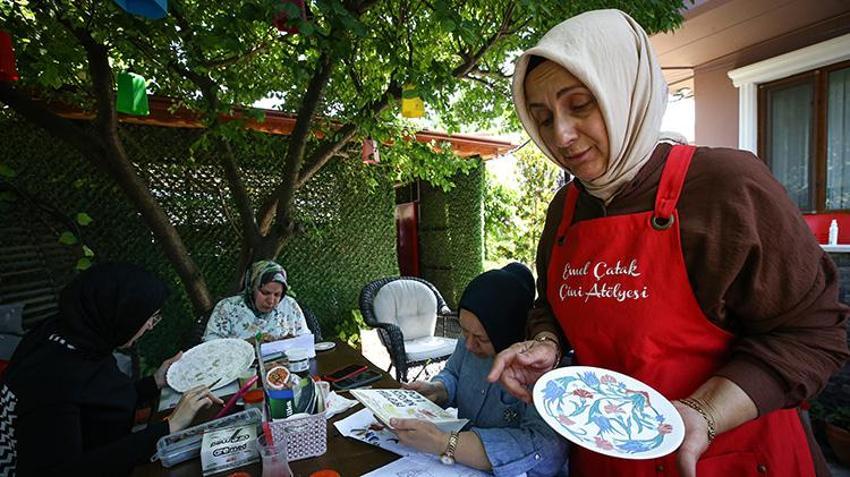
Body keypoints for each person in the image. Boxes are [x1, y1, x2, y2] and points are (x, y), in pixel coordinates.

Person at [486, 9, 849, 477]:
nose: (561, 135)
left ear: (626, 92)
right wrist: (546, 343)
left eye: (579, 105)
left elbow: (813, 333)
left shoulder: (727, 186)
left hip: (730, 457)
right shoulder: (566, 209)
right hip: (607, 462)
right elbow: (550, 303)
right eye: (542, 117)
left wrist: (705, 412)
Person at [0, 263, 222, 476]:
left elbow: (98, 402)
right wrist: (168, 428)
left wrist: (153, 382)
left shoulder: (77, 340)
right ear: (119, 312)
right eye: (149, 318)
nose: (151, 326)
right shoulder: (51, 379)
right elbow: (66, 469)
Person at [391, 263, 568, 476]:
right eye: (465, 332)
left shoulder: (540, 366)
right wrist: (438, 389)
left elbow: (545, 447)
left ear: (507, 330)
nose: (469, 345)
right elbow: (454, 374)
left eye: (481, 339)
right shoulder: (470, 342)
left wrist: (443, 442)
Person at [203, 260, 309, 342]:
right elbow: (210, 346)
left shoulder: (289, 305)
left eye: (277, 295)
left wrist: (292, 342)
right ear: (252, 287)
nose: (271, 301)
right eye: (265, 293)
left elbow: (305, 339)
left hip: (283, 368)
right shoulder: (228, 307)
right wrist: (247, 344)